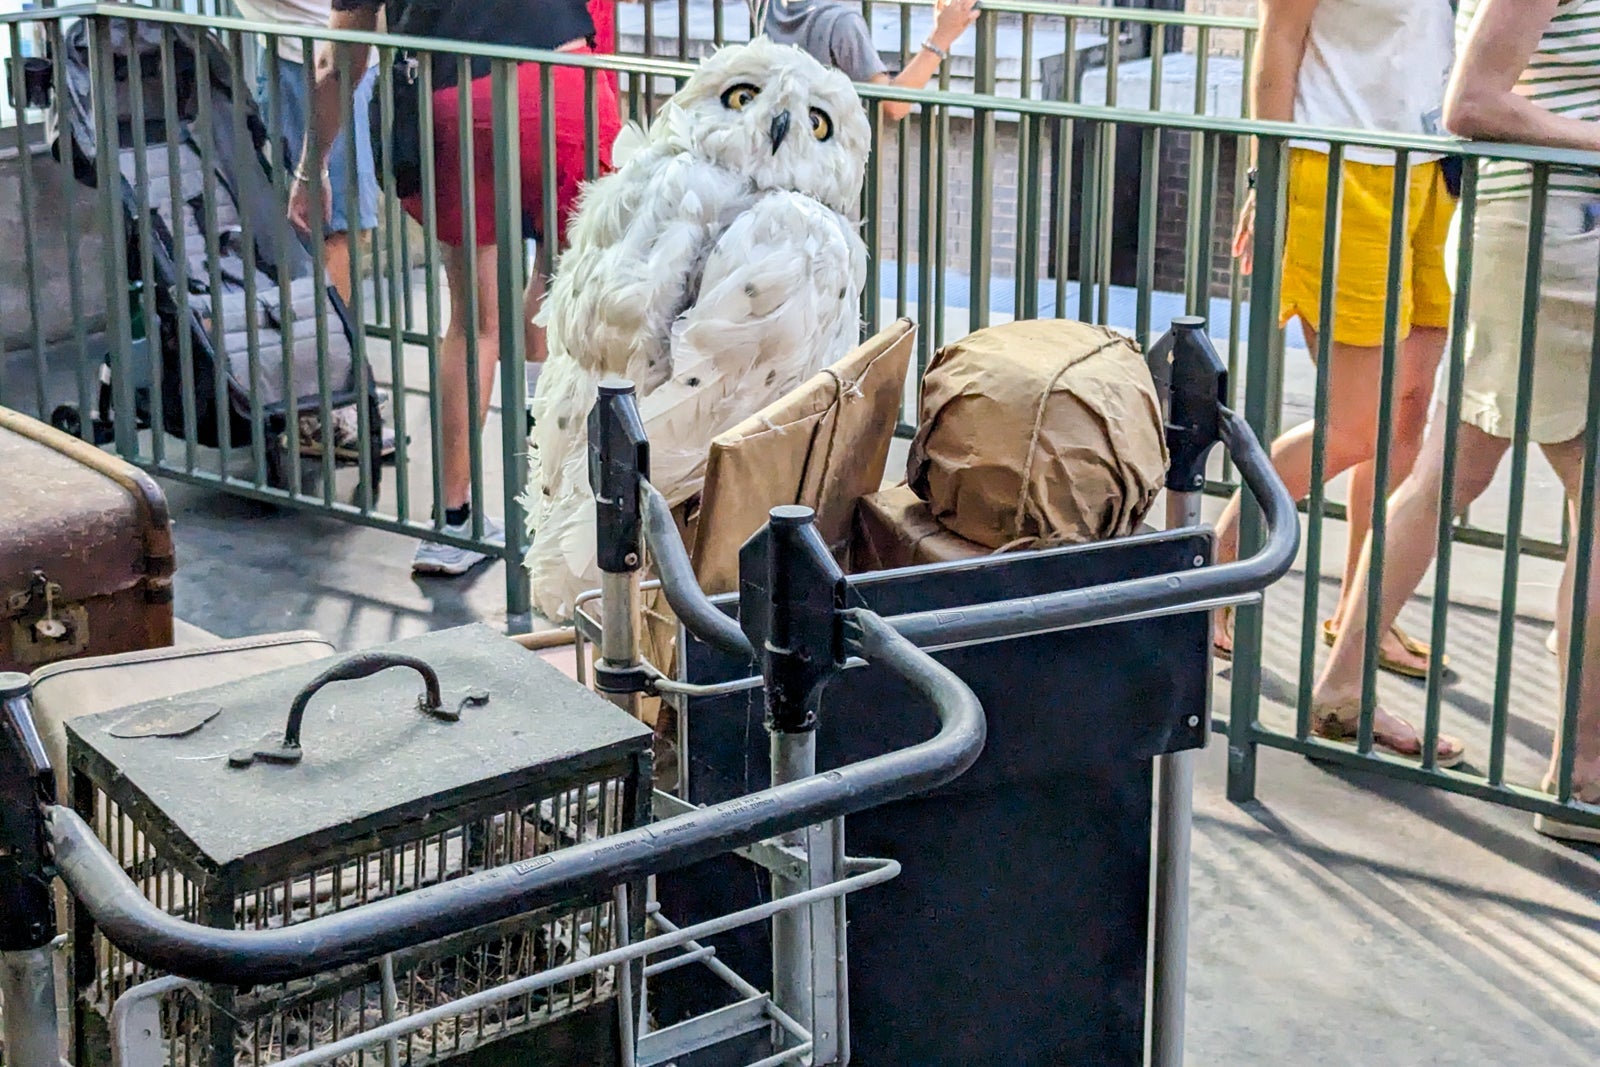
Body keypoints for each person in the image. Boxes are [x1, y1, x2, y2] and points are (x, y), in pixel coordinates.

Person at [1313, 0, 1600, 840]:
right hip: (1548, 239)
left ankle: (1340, 690)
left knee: (1448, 474)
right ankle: (1582, 775)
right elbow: (1472, 103)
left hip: (1552, 235)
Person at [287, 0, 620, 576]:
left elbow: (335, 63)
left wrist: (310, 166)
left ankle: (453, 524)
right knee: (564, 297)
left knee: (472, 321)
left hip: (457, 101)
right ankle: (556, 499)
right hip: (566, 87)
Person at [1220, 0, 1457, 682]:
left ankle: (1363, 616)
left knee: (1406, 414)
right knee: (1357, 426)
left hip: (1433, 167)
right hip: (1341, 171)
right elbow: (1278, 44)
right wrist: (1268, 179)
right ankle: (1210, 571)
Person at [237, 0, 379, 306]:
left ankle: (334, 342)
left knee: (335, 225)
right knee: (333, 226)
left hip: (324, 57)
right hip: (311, 54)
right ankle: (332, 342)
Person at [764, 0, 978, 122]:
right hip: (821, 170)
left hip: (771, 154)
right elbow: (893, 105)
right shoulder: (843, 24)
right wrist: (941, 36)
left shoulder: (768, 6)